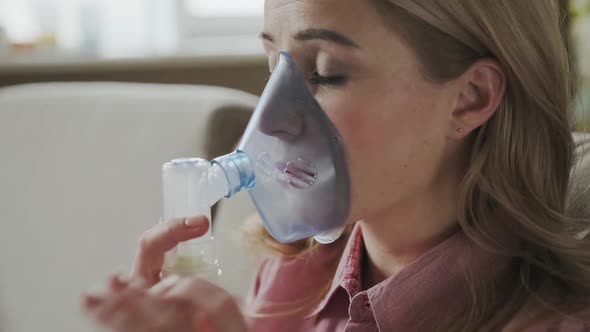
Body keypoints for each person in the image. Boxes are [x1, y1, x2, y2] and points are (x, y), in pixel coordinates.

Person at [81, 1, 590, 331]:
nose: (272, 122)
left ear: (468, 98)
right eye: (271, 68)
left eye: (325, 73)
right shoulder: (291, 279)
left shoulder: (555, 318)